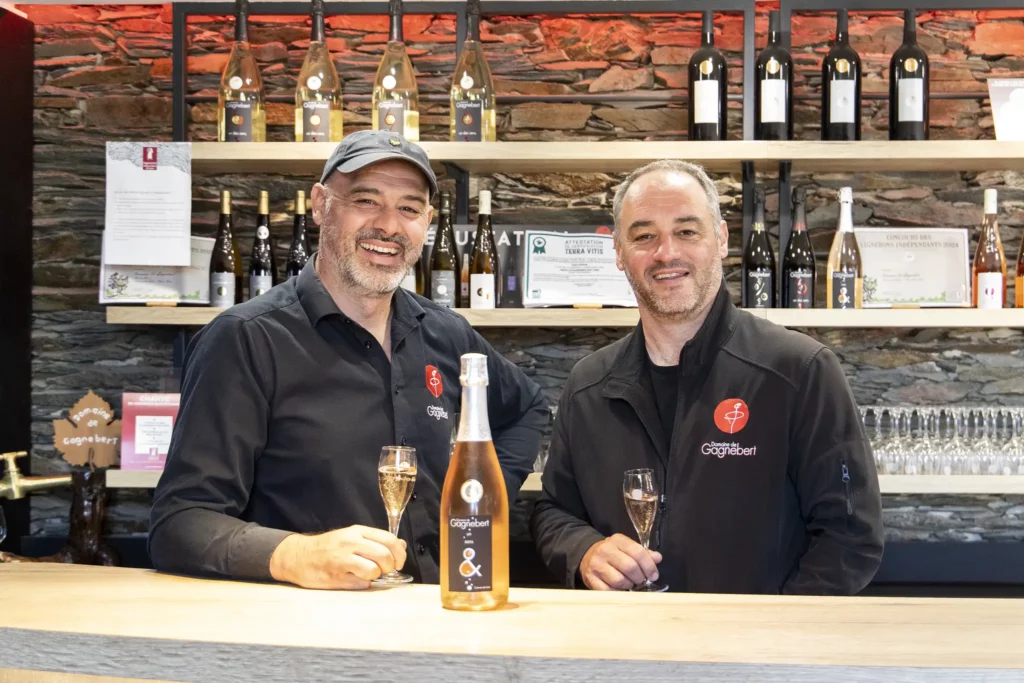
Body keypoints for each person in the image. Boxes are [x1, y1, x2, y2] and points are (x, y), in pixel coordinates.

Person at [150, 131, 547, 589]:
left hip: (442, 614)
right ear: (320, 205)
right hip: (307, 634)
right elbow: (179, 523)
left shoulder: (446, 333)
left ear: (428, 221)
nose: (390, 226)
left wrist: (479, 494)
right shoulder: (245, 339)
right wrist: (295, 554)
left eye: (410, 208)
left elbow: (528, 408)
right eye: (366, 200)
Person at [531, 160, 883, 595]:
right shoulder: (588, 385)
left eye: (687, 231)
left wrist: (774, 637)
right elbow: (553, 513)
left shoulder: (799, 370)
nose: (666, 253)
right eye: (644, 236)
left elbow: (850, 538)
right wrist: (584, 551)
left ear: (720, 240)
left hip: (752, 655)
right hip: (624, 651)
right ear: (619, 254)